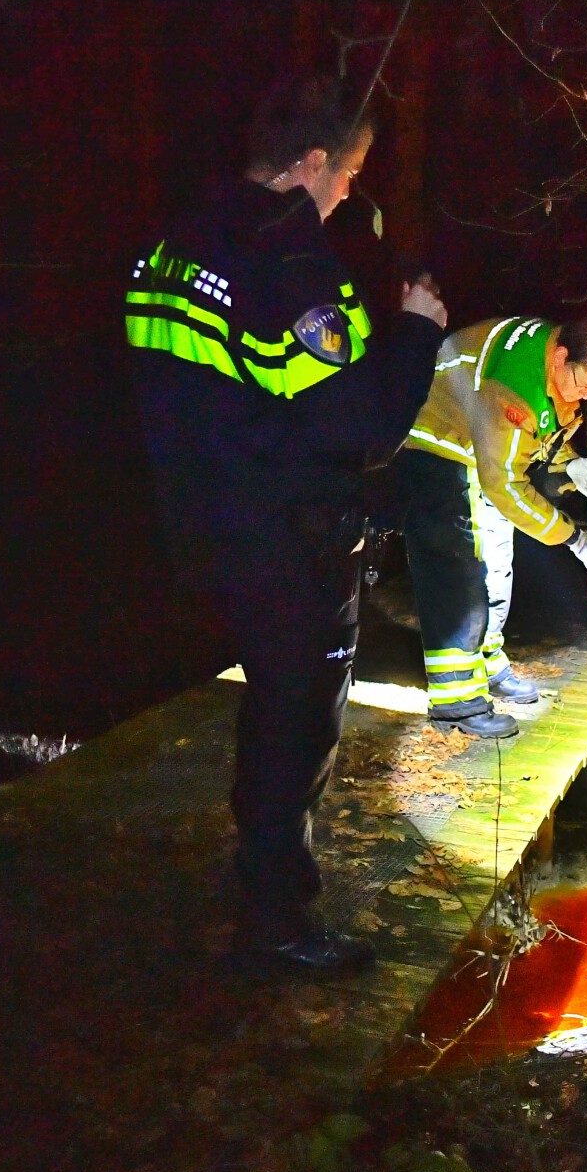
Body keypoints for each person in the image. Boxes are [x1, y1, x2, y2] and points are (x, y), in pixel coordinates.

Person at [126, 72, 447, 978]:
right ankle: (277, 922)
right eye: (349, 173)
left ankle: (260, 884)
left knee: (268, 706)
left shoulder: (175, 241)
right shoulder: (293, 264)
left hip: (201, 523)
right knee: (294, 726)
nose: (349, 192)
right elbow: (361, 429)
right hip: (291, 540)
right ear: (311, 163)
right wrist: (416, 332)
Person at [397, 315, 587, 737]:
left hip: (479, 451)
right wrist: (573, 539)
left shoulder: (549, 361)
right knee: (461, 576)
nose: (586, 396)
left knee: (497, 566)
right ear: (561, 357)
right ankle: (458, 702)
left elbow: (540, 426)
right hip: (437, 450)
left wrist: (570, 462)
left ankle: (487, 662)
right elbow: (505, 483)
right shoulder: (514, 384)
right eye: (584, 385)